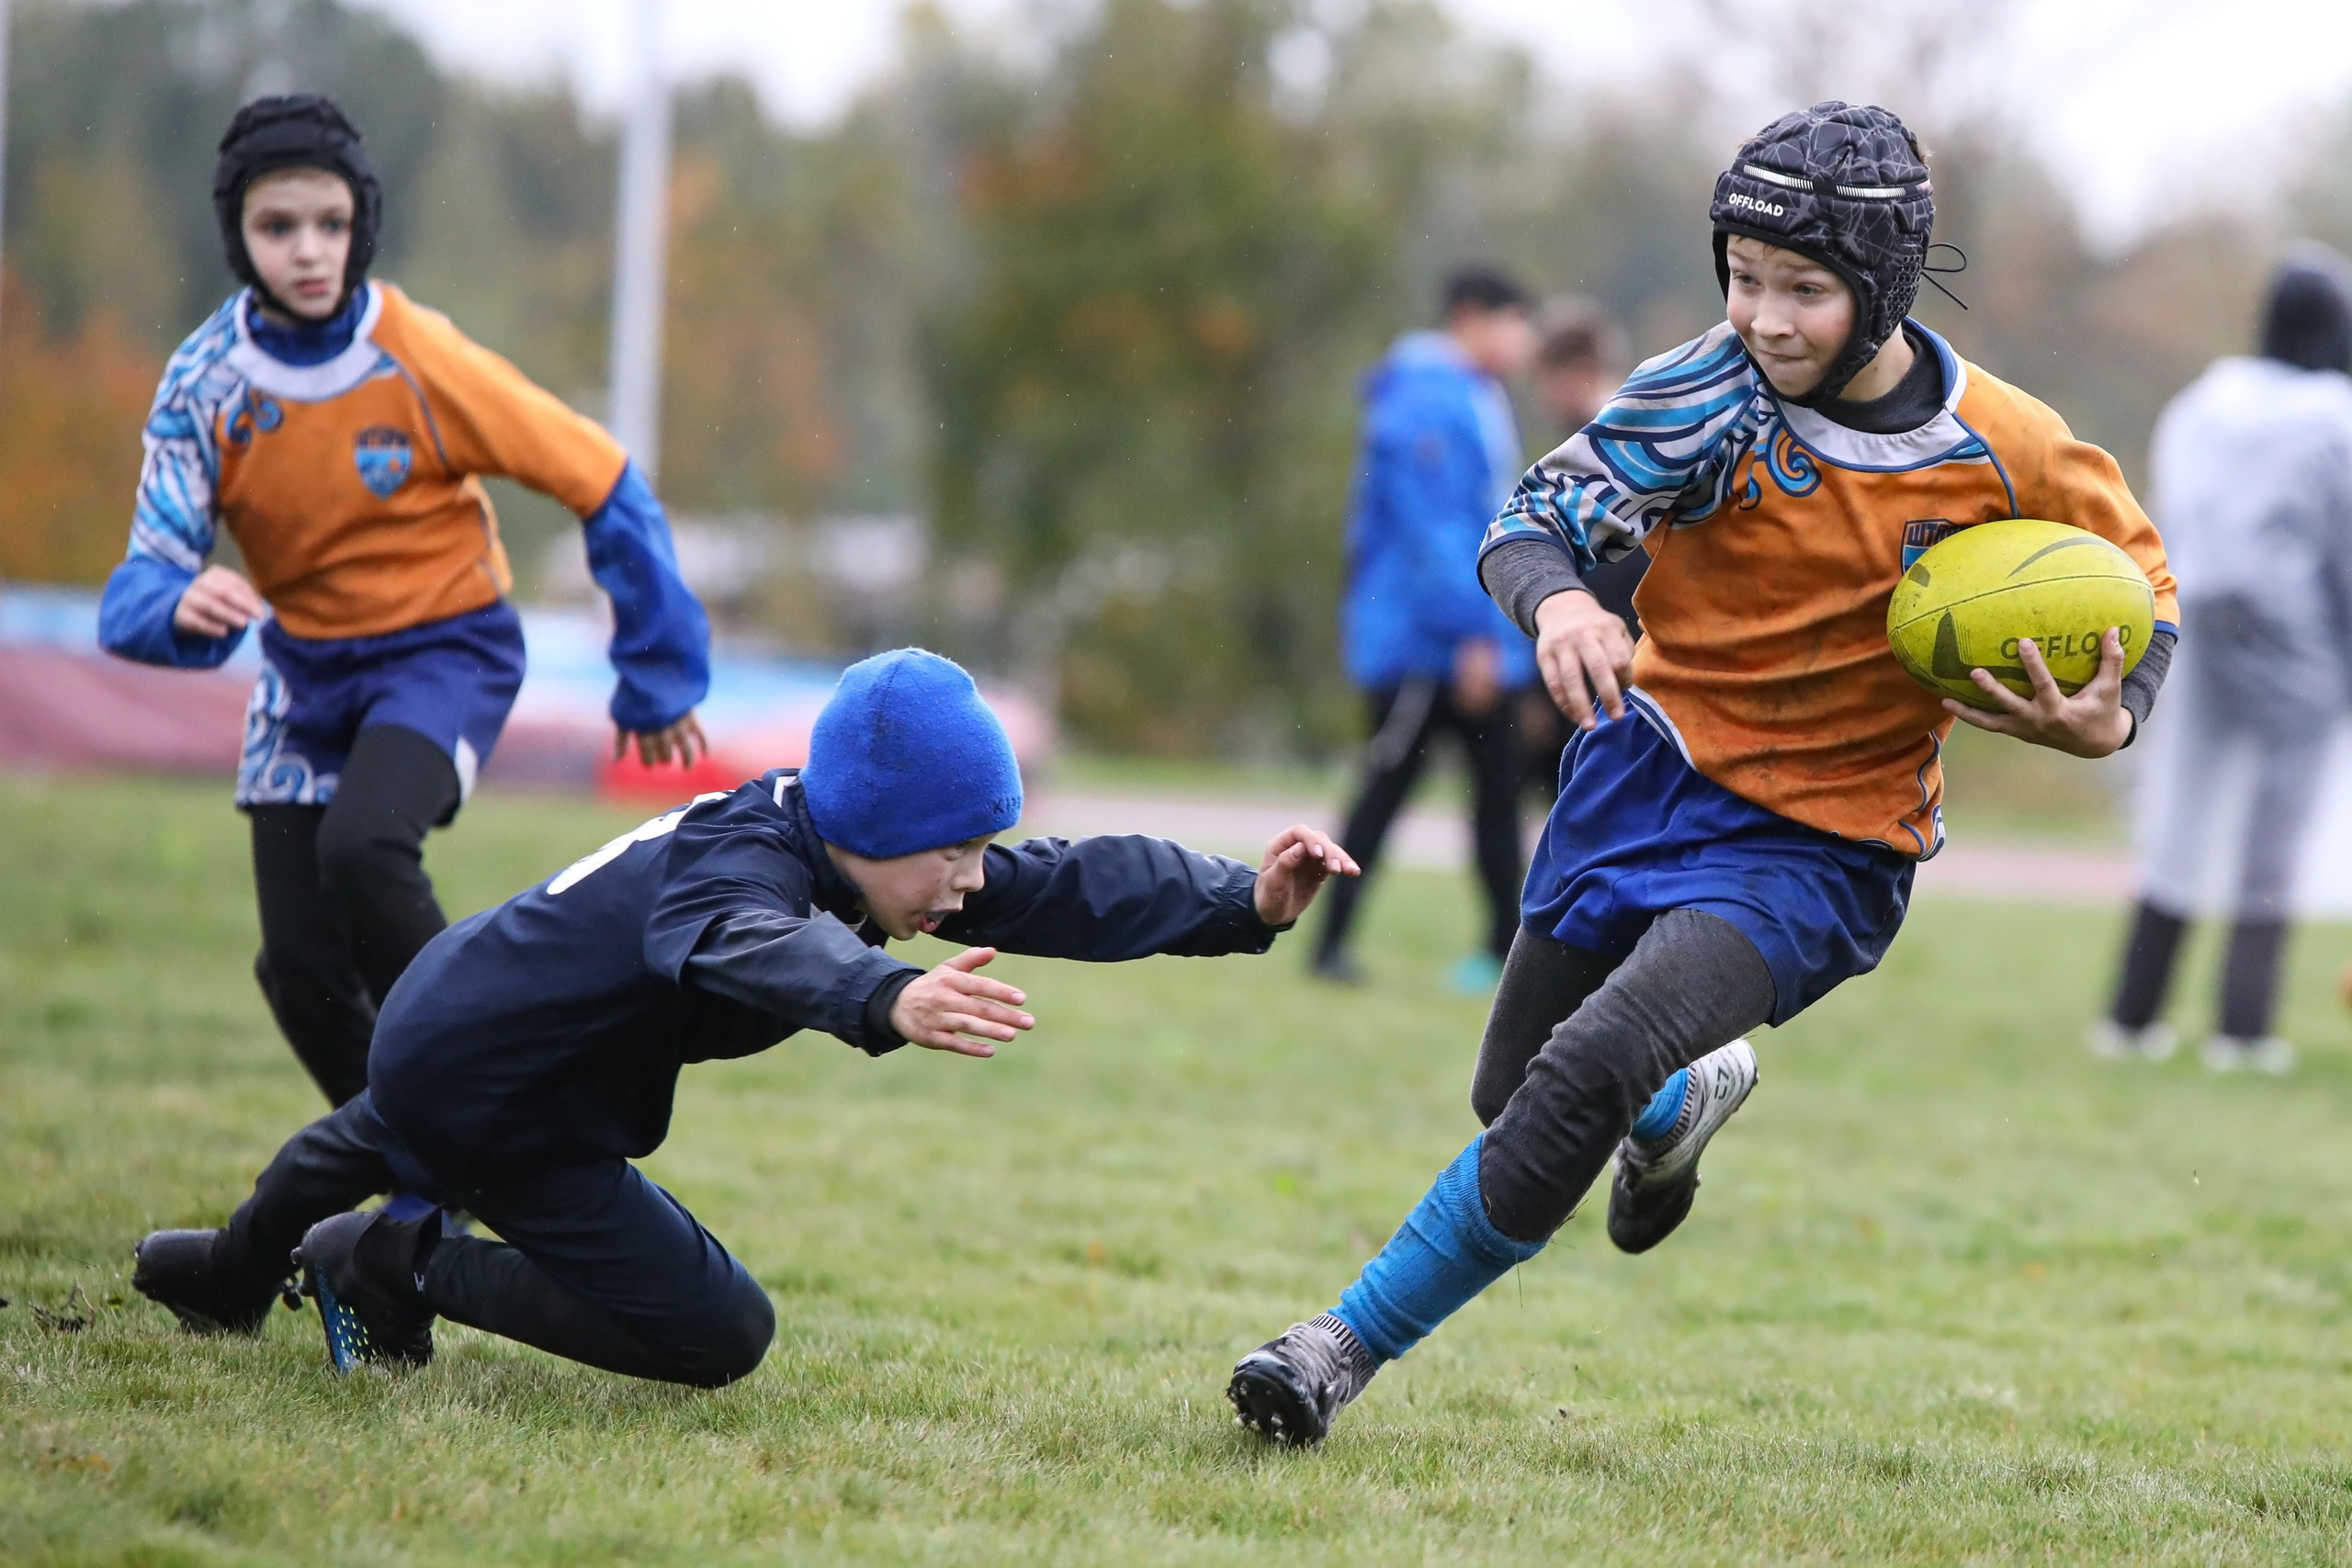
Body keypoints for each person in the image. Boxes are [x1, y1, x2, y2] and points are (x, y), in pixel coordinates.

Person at [1227, 101, 2179, 1447]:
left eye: (1805, 287)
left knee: (1586, 1065)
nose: (1766, 316)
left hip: (1826, 845)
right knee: (1518, 1093)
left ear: (1886, 281)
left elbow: (2143, 577)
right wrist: (1561, 606)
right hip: (1646, 779)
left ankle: (1334, 1345)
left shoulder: (2003, 444)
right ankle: (1684, 1098)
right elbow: (1533, 519)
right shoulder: (1705, 389)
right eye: (1741, 275)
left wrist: (2112, 716)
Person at [130, 649, 1360, 1385]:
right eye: (958, 851)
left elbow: (1069, 876)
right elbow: (744, 941)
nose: (977, 878)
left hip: (510, 1059)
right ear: (873, 830)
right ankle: (377, 1257)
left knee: (372, 1140)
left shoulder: (858, 837)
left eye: (979, 845)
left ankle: (248, 1265)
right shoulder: (745, 865)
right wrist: (885, 992)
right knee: (719, 1331)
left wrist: (1241, 900)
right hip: (475, 1062)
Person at [97, 96, 711, 1122]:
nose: (307, 250)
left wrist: (656, 673)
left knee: (363, 850)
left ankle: (512, 1080)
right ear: (237, 236)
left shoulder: (417, 354)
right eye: (276, 226)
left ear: (363, 225)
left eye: (330, 224)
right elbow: (136, 589)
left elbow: (601, 478)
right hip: (305, 676)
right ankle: (424, 1159)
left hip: (447, 651)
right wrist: (174, 600)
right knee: (297, 968)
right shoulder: (204, 386)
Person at [2090, 245, 2352, 1076]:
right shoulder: (2334, 413)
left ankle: (2132, 1016)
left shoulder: (2205, 399)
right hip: (2295, 636)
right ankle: (2241, 1030)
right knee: (2274, 834)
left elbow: (2161, 517)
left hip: (2191, 619)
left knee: (2180, 812)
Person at [1314, 265, 1542, 995]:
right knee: (1384, 787)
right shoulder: (1422, 395)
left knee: (1499, 798)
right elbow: (1432, 533)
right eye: (1515, 321)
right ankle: (1327, 940)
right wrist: (1474, 631)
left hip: (1476, 639)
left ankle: (1506, 950)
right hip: (1424, 645)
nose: (1523, 340)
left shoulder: (1478, 395)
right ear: (1471, 316)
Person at [1519, 297, 1634, 804]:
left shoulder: (1613, 449)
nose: (1543, 399)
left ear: (1578, 369)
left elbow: (1599, 576)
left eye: (1546, 380)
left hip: (1615, 668)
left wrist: (1540, 687)